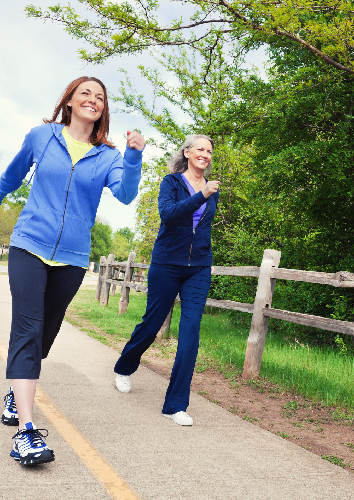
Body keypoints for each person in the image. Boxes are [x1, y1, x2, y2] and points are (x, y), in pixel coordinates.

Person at [0, 76, 144, 465]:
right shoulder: (42, 136)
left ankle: (15, 393)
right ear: (69, 101)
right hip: (29, 244)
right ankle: (26, 432)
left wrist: (133, 157)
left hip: (71, 258)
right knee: (28, 328)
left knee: (45, 335)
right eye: (85, 92)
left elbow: (126, 194)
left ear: (104, 110)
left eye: (99, 97)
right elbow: (13, 174)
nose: (92, 99)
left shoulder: (107, 157)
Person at [113, 134, 219, 426]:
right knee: (151, 324)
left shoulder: (212, 189)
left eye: (209, 151)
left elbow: (203, 228)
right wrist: (202, 195)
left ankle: (175, 405)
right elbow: (168, 215)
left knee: (190, 332)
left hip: (198, 268)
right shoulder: (171, 183)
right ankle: (124, 366)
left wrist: (206, 256)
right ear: (186, 153)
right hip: (167, 265)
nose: (205, 154)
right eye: (200, 149)